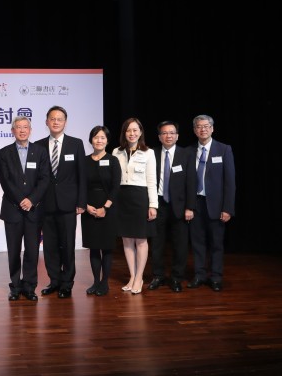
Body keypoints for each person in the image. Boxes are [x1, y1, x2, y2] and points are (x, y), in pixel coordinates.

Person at [35, 106, 87, 299]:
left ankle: (67, 283)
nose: (56, 122)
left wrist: (81, 201)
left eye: (59, 119)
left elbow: (82, 175)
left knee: (67, 244)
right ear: (46, 122)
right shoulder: (38, 145)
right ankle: (54, 280)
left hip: (69, 204)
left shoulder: (76, 144)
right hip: (46, 204)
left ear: (65, 122)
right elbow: (37, 177)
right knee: (49, 246)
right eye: (52, 118)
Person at [0, 115, 51, 302]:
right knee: (13, 251)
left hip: (34, 210)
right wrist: (21, 199)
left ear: (30, 130)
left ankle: (29, 286)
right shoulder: (4, 152)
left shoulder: (40, 151)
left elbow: (45, 178)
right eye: (18, 127)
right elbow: (5, 181)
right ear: (12, 131)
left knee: (32, 251)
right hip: (12, 209)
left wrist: (32, 200)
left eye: (25, 127)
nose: (22, 130)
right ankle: (15, 286)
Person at [187, 115, 236, 292]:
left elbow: (230, 182)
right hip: (196, 204)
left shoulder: (223, 149)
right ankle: (199, 275)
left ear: (212, 129)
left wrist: (227, 208)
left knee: (216, 244)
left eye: (206, 126)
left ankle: (216, 277)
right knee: (197, 243)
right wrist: (188, 206)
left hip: (216, 206)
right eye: (199, 127)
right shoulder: (189, 151)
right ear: (195, 130)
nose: (203, 129)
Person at [147, 121, 196, 293]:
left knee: (180, 244)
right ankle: (158, 276)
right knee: (157, 243)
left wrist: (190, 207)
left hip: (180, 207)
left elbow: (191, 182)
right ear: (159, 136)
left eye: (172, 133)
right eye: (164, 133)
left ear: (177, 136)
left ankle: (176, 277)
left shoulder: (187, 154)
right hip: (158, 204)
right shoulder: (152, 153)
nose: (168, 136)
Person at [111, 117, 158, 295]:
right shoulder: (116, 152)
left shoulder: (148, 152)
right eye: (128, 130)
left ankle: (139, 277)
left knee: (141, 240)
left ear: (140, 132)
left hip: (140, 198)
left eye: (135, 130)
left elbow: (152, 181)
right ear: (124, 133)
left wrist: (153, 205)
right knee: (126, 239)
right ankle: (132, 276)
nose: (132, 133)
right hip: (121, 198)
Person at [80, 125, 121, 296]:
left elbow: (116, 186)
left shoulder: (113, 160)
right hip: (89, 208)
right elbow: (80, 185)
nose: (99, 140)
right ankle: (96, 282)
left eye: (102, 137)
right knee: (94, 247)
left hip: (108, 209)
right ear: (91, 140)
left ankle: (105, 283)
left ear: (107, 140)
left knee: (107, 248)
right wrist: (86, 205)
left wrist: (105, 207)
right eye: (96, 137)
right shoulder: (84, 161)